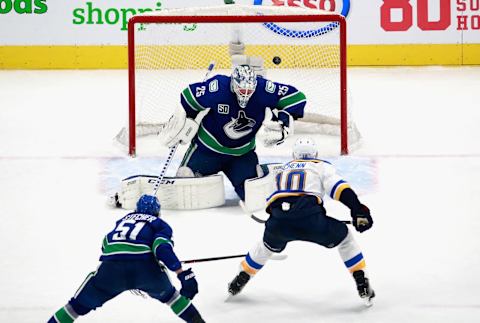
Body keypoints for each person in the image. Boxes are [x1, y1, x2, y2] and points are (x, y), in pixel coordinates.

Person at [227, 137, 375, 305]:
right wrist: (357, 209)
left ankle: (242, 276)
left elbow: (271, 201)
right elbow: (340, 189)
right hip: (312, 221)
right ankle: (360, 279)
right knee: (345, 238)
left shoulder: (282, 170)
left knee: (265, 246)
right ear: (315, 154)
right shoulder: (320, 166)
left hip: (279, 223)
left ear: (294, 155)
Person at [47, 195, 205, 323]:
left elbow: (105, 244)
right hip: (146, 271)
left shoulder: (121, 222)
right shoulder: (159, 224)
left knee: (75, 307)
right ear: (157, 212)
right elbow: (161, 248)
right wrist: (180, 272)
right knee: (173, 298)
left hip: (111, 270)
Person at [167, 64, 306, 201]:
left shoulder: (264, 89)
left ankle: (264, 172)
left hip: (241, 155)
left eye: (249, 91)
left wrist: (284, 122)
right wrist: (182, 122)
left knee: (253, 196)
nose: (245, 94)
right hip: (207, 151)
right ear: (233, 83)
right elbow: (188, 97)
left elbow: (297, 98)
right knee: (185, 183)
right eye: (241, 90)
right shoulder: (218, 87)